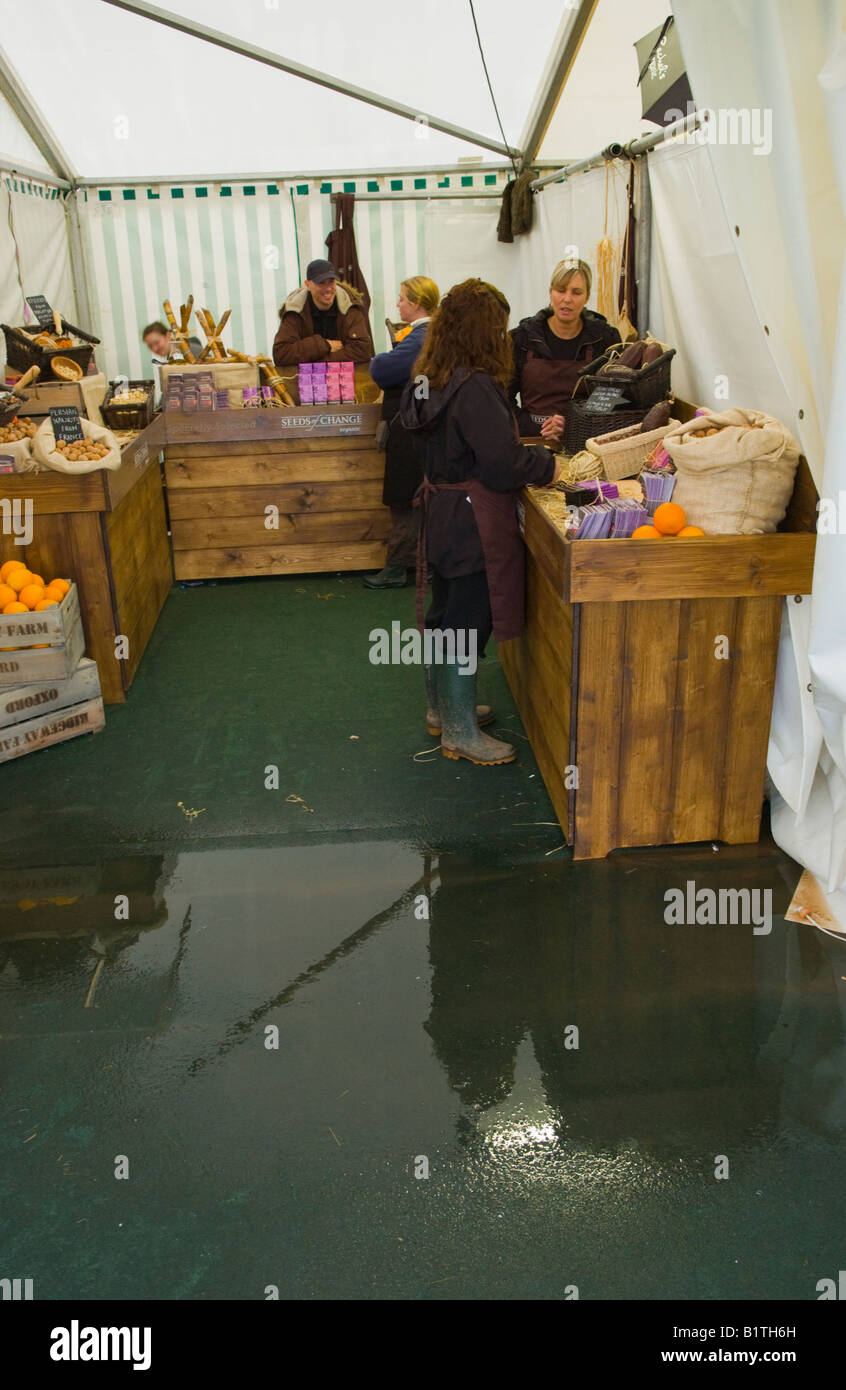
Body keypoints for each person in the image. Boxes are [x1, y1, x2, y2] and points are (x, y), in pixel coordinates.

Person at [401, 279, 563, 767]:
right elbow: (500, 464)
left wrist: (528, 429)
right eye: (498, 326)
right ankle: (460, 733)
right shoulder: (475, 386)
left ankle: (443, 711)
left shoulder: (431, 375)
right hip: (471, 518)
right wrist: (551, 467)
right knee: (468, 622)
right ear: (482, 331)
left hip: (441, 511)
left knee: (445, 613)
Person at [364, 276, 440, 590]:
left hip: (409, 429)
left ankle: (398, 567)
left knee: (405, 497)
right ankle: (424, 565)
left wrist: (377, 360)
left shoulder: (421, 336)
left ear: (417, 302)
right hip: (419, 427)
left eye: (402, 298)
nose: (398, 304)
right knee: (416, 497)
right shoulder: (431, 334)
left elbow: (382, 370)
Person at [509, 258, 621, 444]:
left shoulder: (605, 339)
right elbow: (502, 398)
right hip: (530, 441)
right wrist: (533, 427)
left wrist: (573, 424)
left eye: (576, 292)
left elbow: (611, 396)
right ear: (550, 292)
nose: (567, 299)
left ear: (586, 297)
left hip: (585, 443)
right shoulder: (522, 338)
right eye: (561, 290)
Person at [272, 259, 373, 366]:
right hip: (304, 381)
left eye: (331, 281)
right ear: (308, 285)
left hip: (347, 379)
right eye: (321, 283)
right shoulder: (295, 310)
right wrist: (324, 345)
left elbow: (363, 351)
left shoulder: (350, 307)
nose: (328, 288)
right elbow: (281, 354)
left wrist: (315, 362)